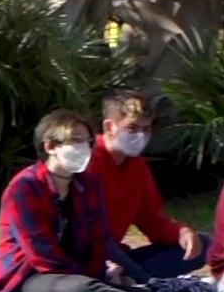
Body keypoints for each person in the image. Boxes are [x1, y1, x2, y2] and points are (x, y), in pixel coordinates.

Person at [0, 109, 224, 292]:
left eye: (88, 142)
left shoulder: (86, 184)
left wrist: (118, 274)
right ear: (51, 146)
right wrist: (94, 278)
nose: (84, 149)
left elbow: (99, 239)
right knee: (85, 289)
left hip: (76, 272)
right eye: (76, 141)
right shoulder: (24, 188)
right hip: (28, 277)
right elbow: (43, 255)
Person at [87, 91, 210, 282]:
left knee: (203, 245)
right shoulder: (87, 160)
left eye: (146, 129)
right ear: (109, 127)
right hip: (85, 255)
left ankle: (129, 280)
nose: (140, 136)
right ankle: (132, 280)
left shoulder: (137, 167)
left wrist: (181, 232)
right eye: (132, 128)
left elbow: (153, 220)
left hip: (117, 258)